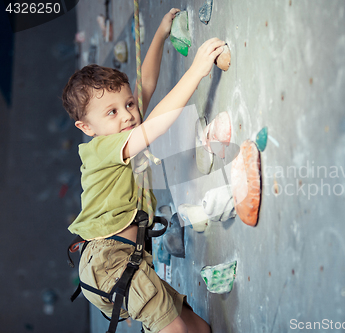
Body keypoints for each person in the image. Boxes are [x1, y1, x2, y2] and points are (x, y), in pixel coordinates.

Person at [62, 8, 224, 333]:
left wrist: (162, 33)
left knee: (197, 329)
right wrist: (197, 70)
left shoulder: (122, 130)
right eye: (111, 111)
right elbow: (158, 127)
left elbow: (145, 83)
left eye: (128, 104)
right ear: (86, 127)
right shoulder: (103, 149)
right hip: (108, 261)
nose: (127, 114)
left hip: (128, 258)